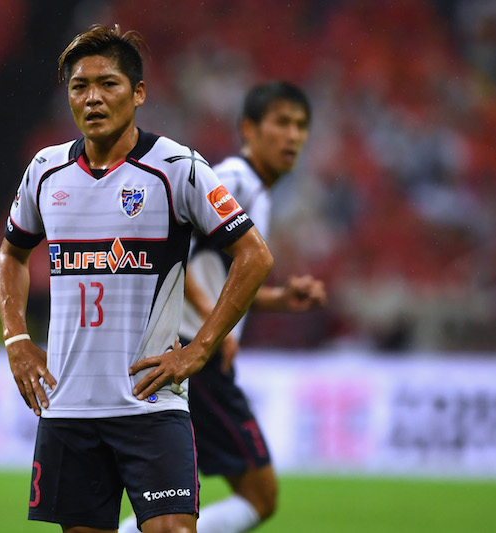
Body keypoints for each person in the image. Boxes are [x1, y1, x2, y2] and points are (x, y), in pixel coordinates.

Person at [0, 24, 274, 533]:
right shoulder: (45, 170)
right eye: (80, 86)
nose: (92, 98)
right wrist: (16, 339)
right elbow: (10, 255)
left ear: (139, 93)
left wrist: (200, 348)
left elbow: (253, 256)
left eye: (108, 84)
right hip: (68, 408)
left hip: (150, 404)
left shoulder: (177, 168)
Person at [120, 82, 327, 533]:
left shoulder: (256, 192)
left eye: (301, 126)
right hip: (195, 353)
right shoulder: (234, 180)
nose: (293, 136)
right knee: (258, 494)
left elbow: (218, 281)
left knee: (176, 496)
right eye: (282, 123)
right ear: (249, 129)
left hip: (195, 350)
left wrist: (278, 299)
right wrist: (218, 330)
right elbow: (174, 249)